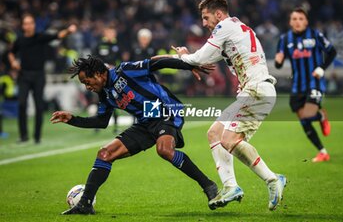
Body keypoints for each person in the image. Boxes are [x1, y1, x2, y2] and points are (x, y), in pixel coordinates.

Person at [156, 0, 286, 211]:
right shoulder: (236, 29)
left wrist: (181, 59)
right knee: (214, 133)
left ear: (218, 14)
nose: (204, 23)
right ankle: (231, 186)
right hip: (252, 90)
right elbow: (204, 58)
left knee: (229, 139)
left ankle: (273, 179)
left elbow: (199, 59)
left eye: (206, 18)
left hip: (257, 90)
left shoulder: (224, 27)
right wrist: (191, 57)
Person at [50, 56, 218, 215]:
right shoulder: (105, 93)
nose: (87, 87)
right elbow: (101, 121)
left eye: (87, 82)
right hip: (144, 123)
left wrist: (189, 66)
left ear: (99, 74)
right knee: (104, 154)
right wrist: (72, 119)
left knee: (164, 150)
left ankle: (208, 185)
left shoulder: (125, 71)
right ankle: (85, 204)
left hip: (166, 112)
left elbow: (156, 63)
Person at [275, 7, 337, 163]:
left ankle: (321, 115)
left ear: (306, 21)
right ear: (290, 22)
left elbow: (332, 51)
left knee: (309, 114)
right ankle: (323, 152)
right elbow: (278, 63)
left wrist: (321, 68)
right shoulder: (285, 39)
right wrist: (278, 60)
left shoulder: (316, 35)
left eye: (301, 19)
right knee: (304, 120)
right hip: (297, 86)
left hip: (315, 83)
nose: (297, 22)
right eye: (294, 19)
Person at [8, 13, 77, 144]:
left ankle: (37, 137)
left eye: (30, 23)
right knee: (22, 104)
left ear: (34, 24)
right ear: (23, 26)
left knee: (39, 106)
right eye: (26, 23)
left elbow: (57, 35)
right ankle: (23, 136)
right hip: (24, 75)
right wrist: (13, 62)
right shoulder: (20, 39)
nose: (28, 26)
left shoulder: (40, 37)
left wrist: (68, 31)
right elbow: (11, 52)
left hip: (38, 75)